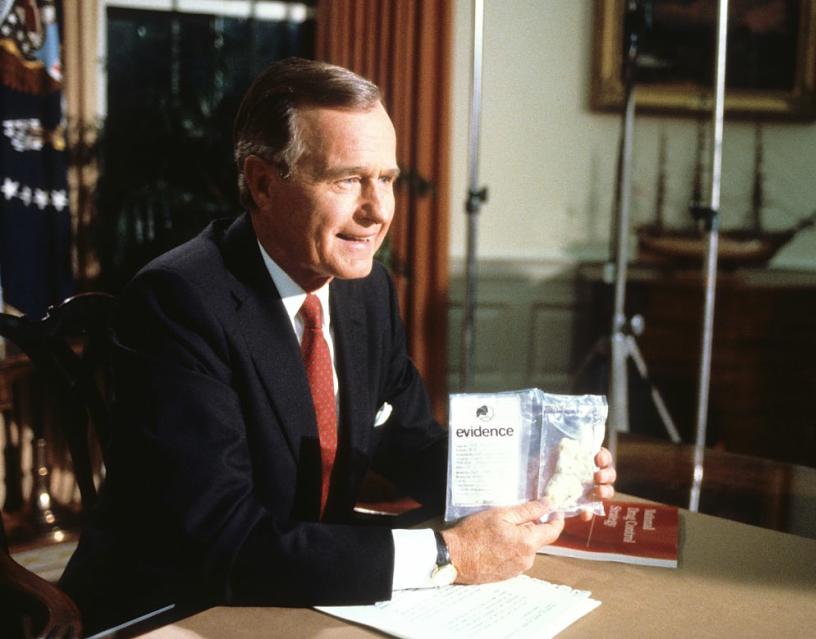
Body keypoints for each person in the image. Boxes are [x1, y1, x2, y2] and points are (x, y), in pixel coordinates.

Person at [60, 57, 615, 633]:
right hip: (171, 605)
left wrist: (536, 476)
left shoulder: (365, 288)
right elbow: (222, 539)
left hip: (301, 592)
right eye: (347, 180)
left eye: (388, 179)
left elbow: (410, 442)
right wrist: (450, 556)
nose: (377, 211)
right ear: (262, 184)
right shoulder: (179, 302)